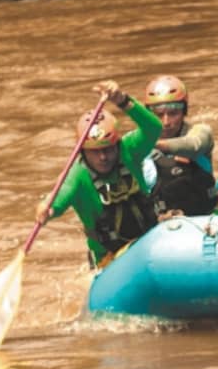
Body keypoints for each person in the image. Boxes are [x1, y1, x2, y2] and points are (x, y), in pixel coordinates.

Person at [36, 80, 162, 267]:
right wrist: (47, 209)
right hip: (109, 259)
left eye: (108, 149)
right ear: (83, 152)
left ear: (117, 145)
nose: (103, 157)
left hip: (149, 242)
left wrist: (122, 100)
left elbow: (154, 128)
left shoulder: (129, 150)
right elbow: (60, 197)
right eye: (94, 151)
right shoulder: (77, 175)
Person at [143, 75, 218, 216]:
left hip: (206, 218)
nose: (166, 122)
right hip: (166, 223)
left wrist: (156, 145)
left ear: (184, 112)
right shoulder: (139, 145)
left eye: (173, 113)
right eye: (159, 115)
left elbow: (194, 145)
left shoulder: (201, 132)